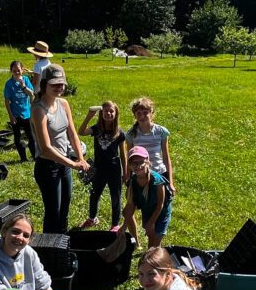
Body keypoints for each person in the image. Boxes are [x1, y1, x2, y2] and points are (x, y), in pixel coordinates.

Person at [30, 63, 89, 233]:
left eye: (61, 83)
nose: (59, 87)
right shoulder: (39, 110)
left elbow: (72, 134)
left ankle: (62, 246)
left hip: (65, 163)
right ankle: (49, 249)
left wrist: (81, 158)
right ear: (44, 84)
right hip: (47, 167)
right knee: (53, 212)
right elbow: (46, 148)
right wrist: (73, 164)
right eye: (54, 84)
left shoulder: (63, 104)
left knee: (64, 209)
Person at [78, 99, 125, 231]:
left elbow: (123, 154)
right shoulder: (96, 129)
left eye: (111, 111)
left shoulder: (119, 132)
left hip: (114, 169)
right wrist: (89, 116)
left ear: (116, 113)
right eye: (105, 111)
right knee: (94, 194)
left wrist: (126, 172)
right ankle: (92, 218)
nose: (108, 113)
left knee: (115, 197)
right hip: (99, 168)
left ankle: (115, 224)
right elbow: (81, 132)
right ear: (101, 113)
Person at [117, 145, 172, 248]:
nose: (138, 166)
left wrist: (151, 223)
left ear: (147, 161)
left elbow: (160, 205)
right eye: (133, 163)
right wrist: (124, 226)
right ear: (129, 165)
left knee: (156, 240)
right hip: (147, 210)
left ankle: (154, 259)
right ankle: (149, 256)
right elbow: (131, 205)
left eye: (140, 162)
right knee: (150, 238)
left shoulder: (157, 181)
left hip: (161, 212)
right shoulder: (133, 182)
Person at [123, 97, 173, 194]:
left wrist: (170, 182)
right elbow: (130, 159)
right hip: (140, 175)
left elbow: (166, 158)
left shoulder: (161, 132)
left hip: (160, 174)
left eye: (145, 113)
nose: (142, 116)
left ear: (151, 113)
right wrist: (128, 179)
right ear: (134, 115)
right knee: (145, 205)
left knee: (162, 204)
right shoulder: (131, 135)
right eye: (139, 113)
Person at [3, 60, 36, 163]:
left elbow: (31, 95)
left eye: (18, 70)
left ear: (22, 70)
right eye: (14, 71)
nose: (17, 72)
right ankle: (23, 158)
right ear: (11, 71)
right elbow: (7, 101)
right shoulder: (9, 84)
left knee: (31, 136)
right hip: (16, 114)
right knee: (18, 137)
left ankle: (35, 156)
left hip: (27, 114)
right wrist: (11, 116)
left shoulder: (26, 80)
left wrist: (23, 86)